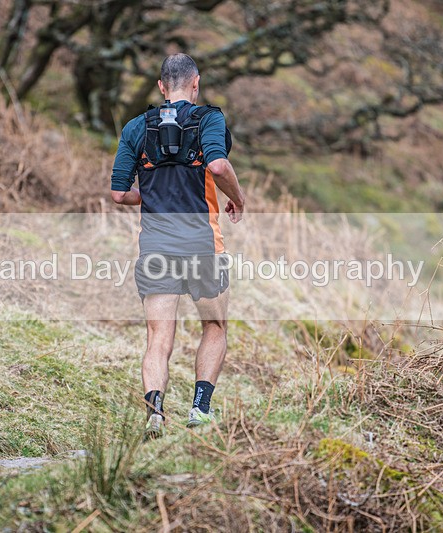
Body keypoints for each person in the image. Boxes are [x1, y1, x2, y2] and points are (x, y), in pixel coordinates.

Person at [110, 53, 246, 438]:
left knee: (158, 337)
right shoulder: (209, 119)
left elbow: (120, 194)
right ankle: (199, 409)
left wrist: (151, 194)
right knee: (215, 325)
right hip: (203, 243)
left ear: (161, 86)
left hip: (156, 245)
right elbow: (218, 167)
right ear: (196, 83)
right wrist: (239, 196)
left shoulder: (137, 126)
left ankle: (155, 412)